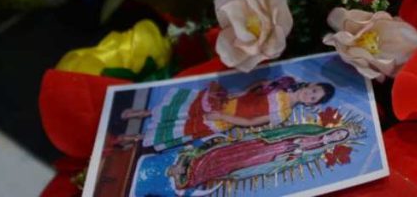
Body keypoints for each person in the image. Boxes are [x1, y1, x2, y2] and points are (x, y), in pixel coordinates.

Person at [122, 76, 335, 151]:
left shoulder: (284, 112)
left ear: (311, 104)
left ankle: (136, 138)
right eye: (314, 90)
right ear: (313, 84)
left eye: (314, 98)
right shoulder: (285, 83)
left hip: (227, 119)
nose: (310, 95)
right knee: (187, 109)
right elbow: (261, 83)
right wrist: (244, 91)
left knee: (187, 126)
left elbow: (251, 121)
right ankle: (144, 113)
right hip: (229, 101)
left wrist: (224, 118)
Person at [165, 125, 352, 191]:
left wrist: (296, 155)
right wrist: (292, 140)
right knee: (228, 153)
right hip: (269, 144)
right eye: (338, 133)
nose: (336, 136)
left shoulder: (318, 153)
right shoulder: (313, 129)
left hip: (272, 158)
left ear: (337, 141)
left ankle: (192, 176)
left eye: (340, 138)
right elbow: (286, 130)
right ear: (334, 130)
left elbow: (298, 162)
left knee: (233, 166)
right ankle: (193, 162)